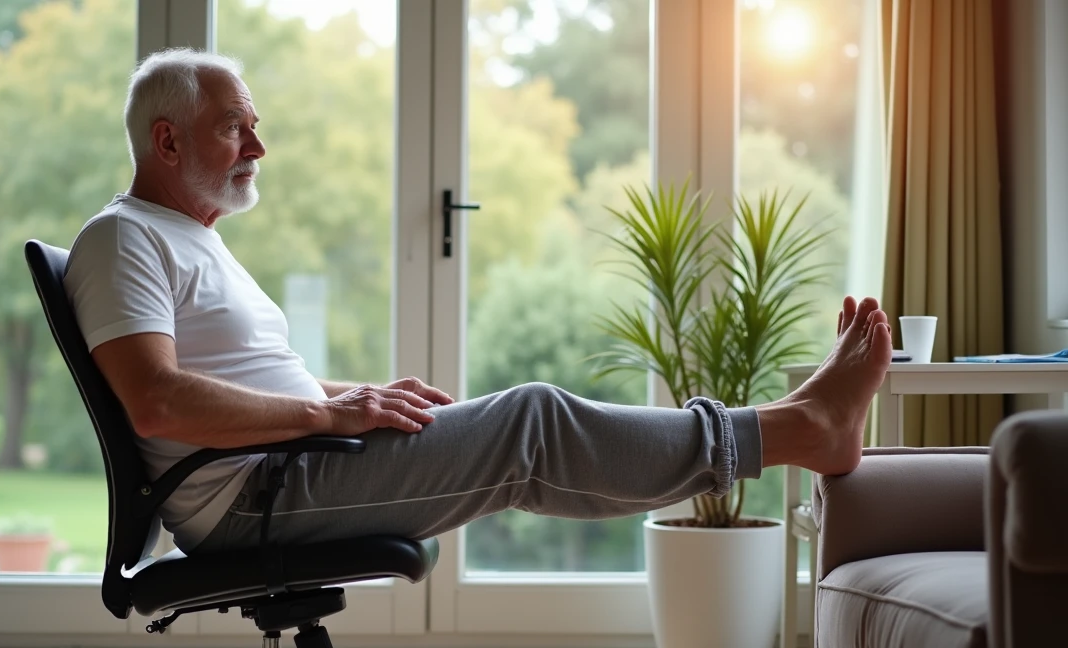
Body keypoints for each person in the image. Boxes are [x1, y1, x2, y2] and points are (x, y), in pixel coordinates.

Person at [65, 49, 893, 554]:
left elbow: (246, 378)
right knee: (528, 424)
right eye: (234, 126)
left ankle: (790, 427)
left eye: (255, 125)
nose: (259, 145)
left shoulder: (191, 239)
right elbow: (157, 400)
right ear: (166, 139)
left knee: (520, 437)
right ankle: (796, 429)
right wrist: (331, 416)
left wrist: (352, 396)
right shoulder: (122, 238)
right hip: (255, 497)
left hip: (289, 468)